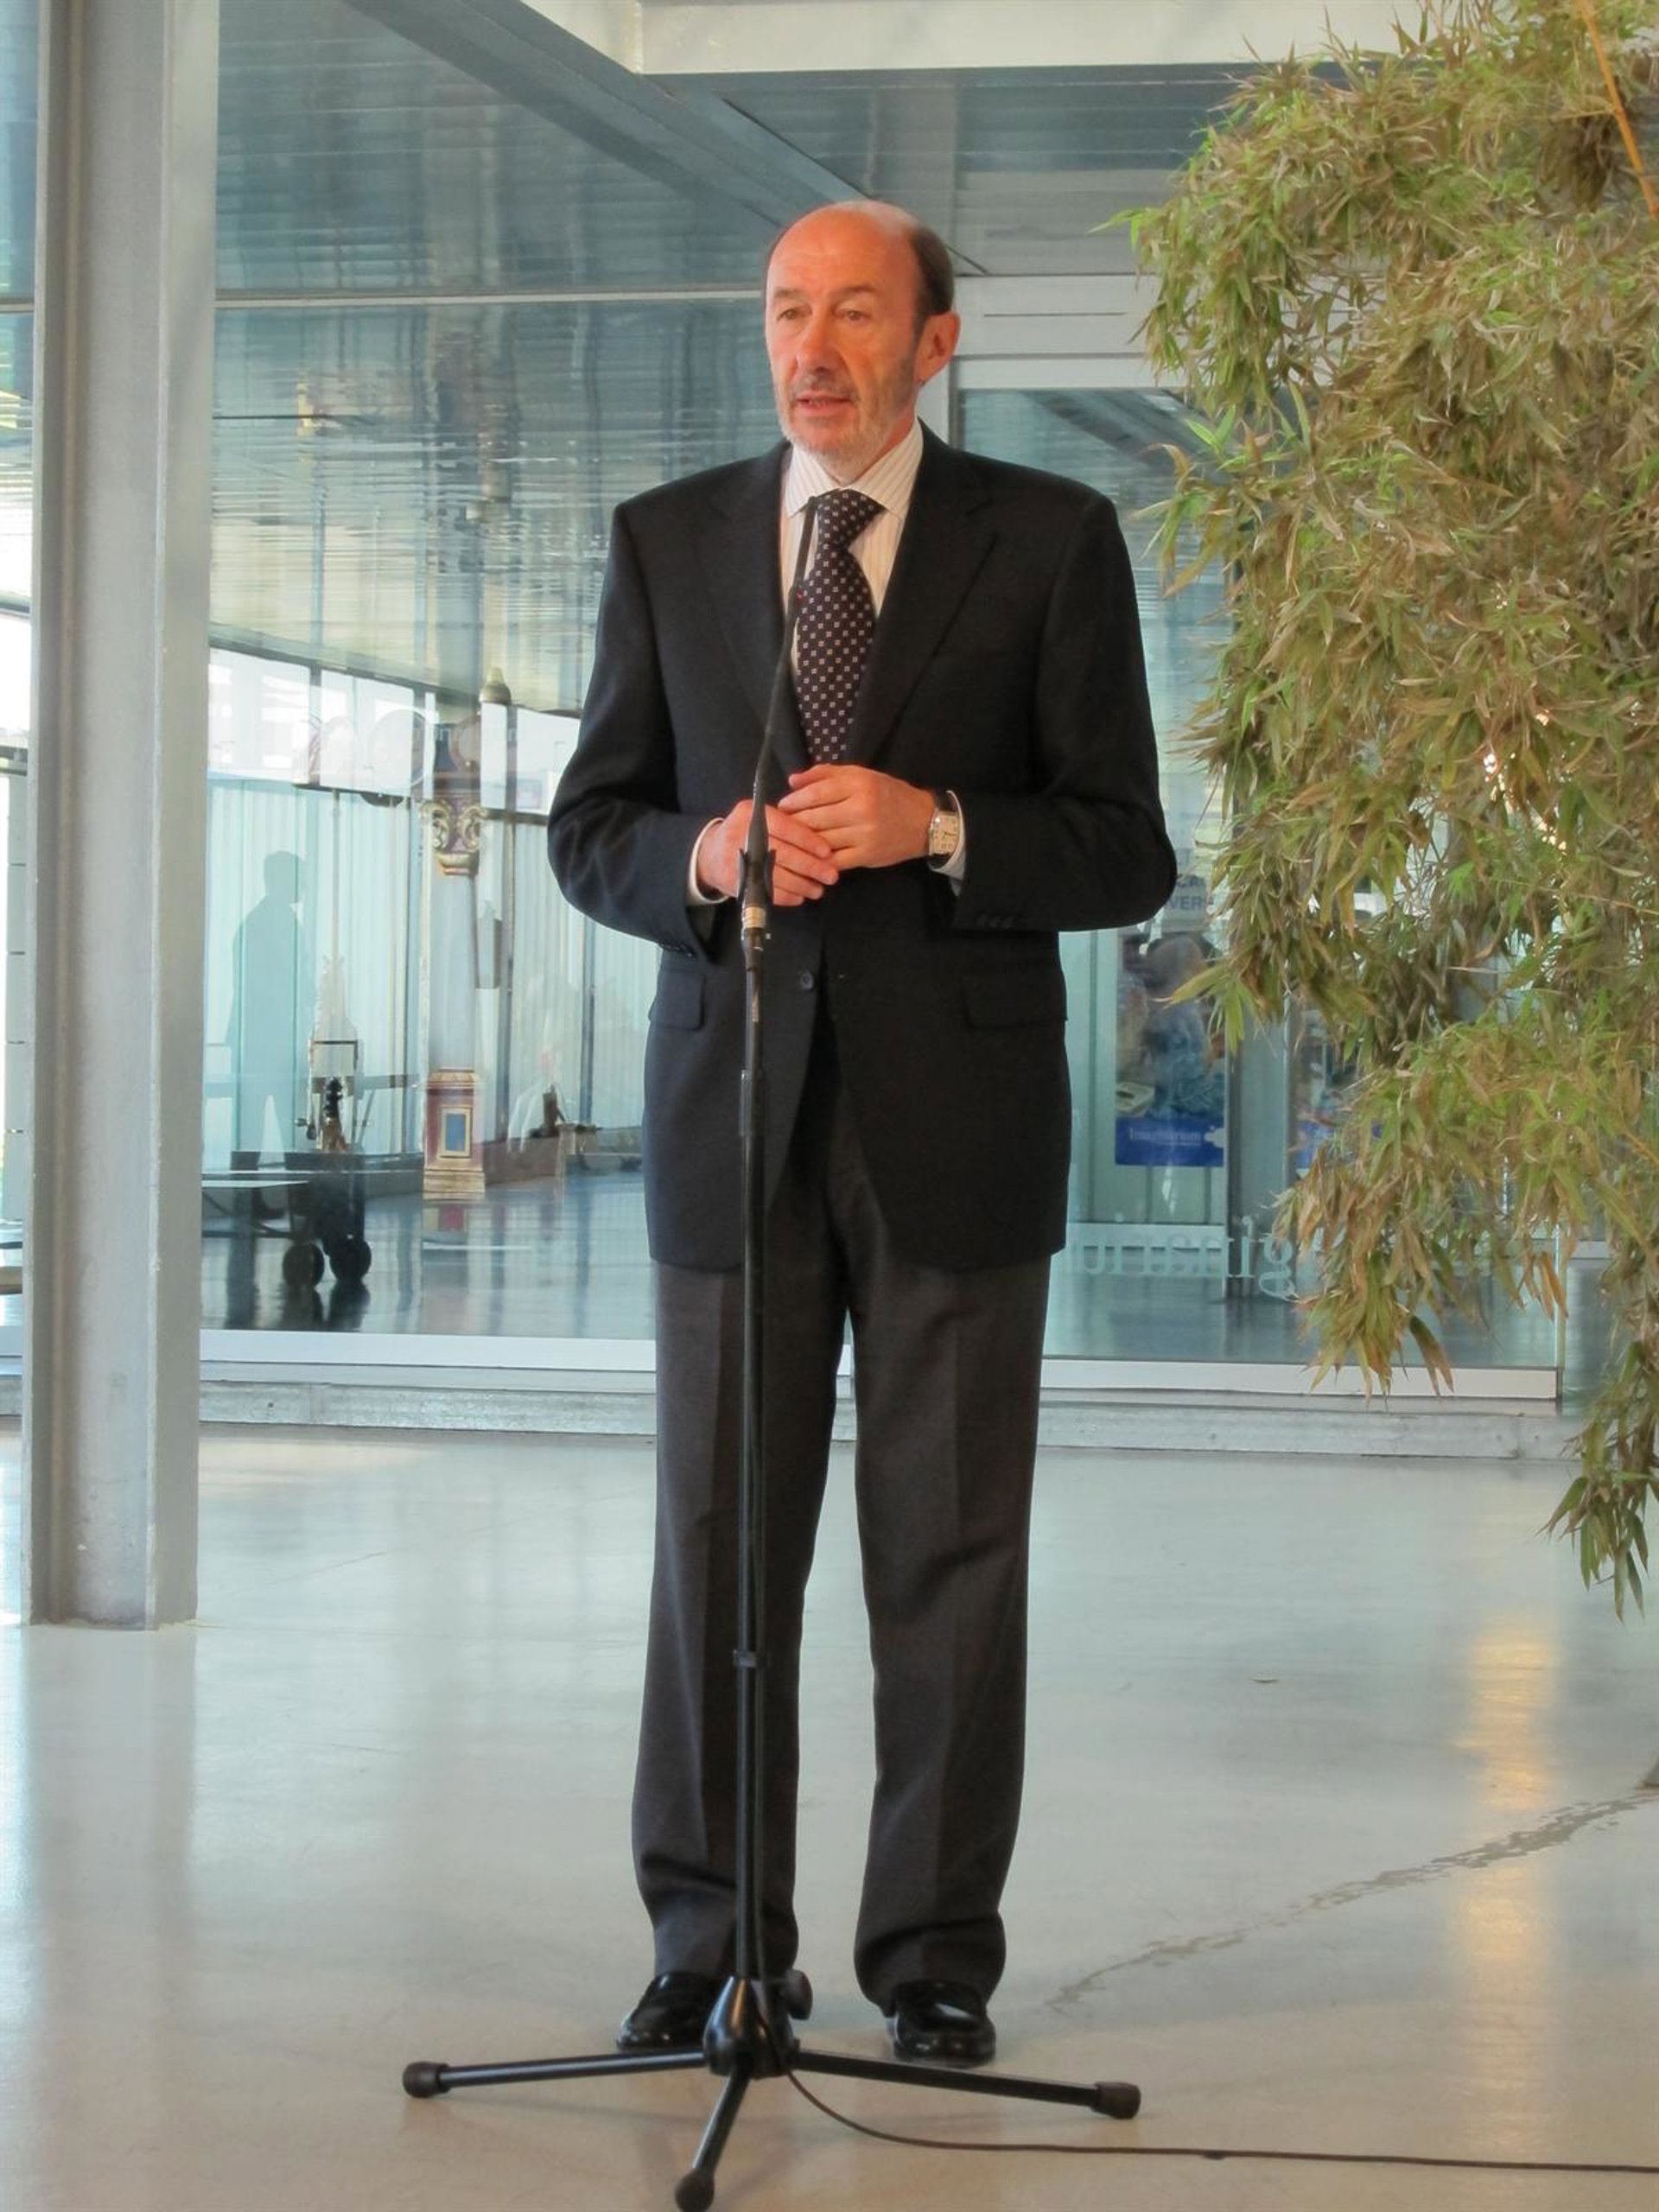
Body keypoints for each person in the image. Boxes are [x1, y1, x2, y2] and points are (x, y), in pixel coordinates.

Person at [548, 200, 1175, 2069]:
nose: (811, 349)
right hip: (729, 1111)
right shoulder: (668, 539)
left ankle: (934, 1960)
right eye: (784, 312)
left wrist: (944, 828)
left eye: (852, 313)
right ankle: (712, 1943)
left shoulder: (1050, 541)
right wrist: (711, 855)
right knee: (716, 1554)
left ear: (936, 341)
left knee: (952, 1559)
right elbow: (591, 828)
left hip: (956, 1131)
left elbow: (1126, 846)